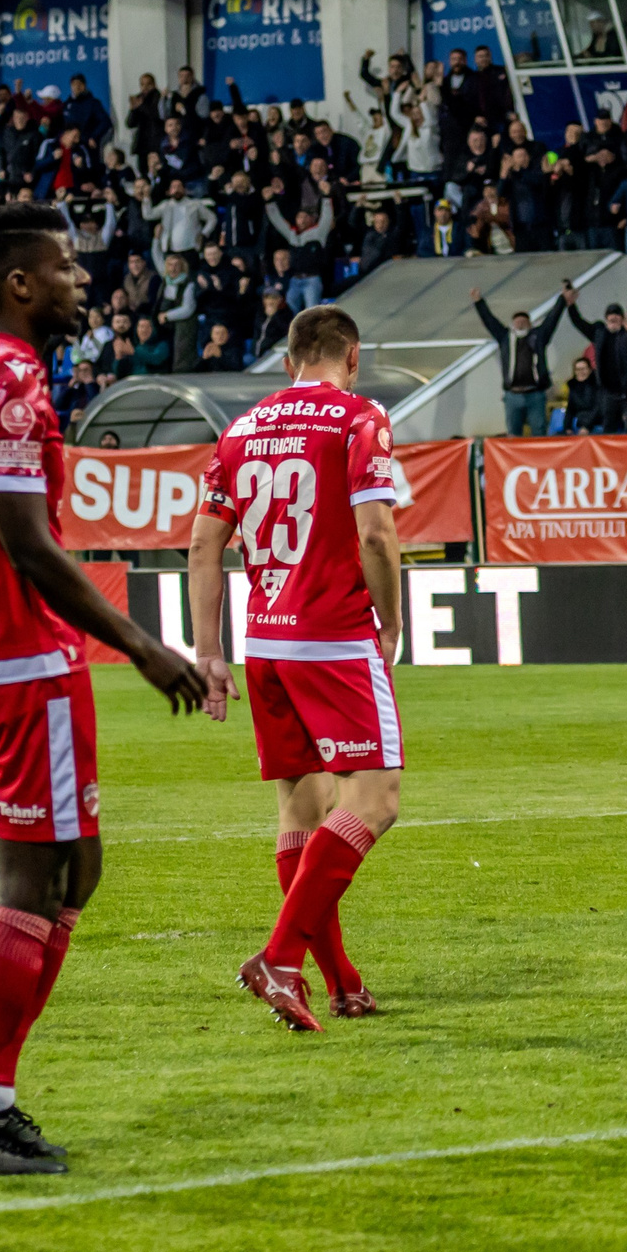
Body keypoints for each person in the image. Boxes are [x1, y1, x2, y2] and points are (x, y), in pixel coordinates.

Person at [0, 201, 205, 1179]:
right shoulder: (15, 380)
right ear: (20, 282)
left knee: (77, 868)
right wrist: (143, 646)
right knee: (33, 879)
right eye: (67, 265)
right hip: (24, 662)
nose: (82, 279)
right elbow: (26, 540)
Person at [187, 305, 404, 1033]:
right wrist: (392, 620)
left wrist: (207, 652)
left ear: (287, 362)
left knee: (300, 811)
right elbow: (375, 532)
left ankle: (340, 981)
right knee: (374, 801)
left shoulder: (240, 431)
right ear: (353, 357)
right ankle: (281, 959)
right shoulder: (358, 418)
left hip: (266, 645)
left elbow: (202, 547)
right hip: (334, 637)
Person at [470, 284, 568, 436]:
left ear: (530, 324)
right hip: (513, 395)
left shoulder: (539, 337)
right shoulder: (505, 338)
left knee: (539, 431)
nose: (520, 324)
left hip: (535, 394)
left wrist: (562, 299)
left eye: (524, 321)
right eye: (517, 322)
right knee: (513, 433)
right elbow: (490, 321)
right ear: (513, 324)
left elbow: (552, 319)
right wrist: (478, 302)